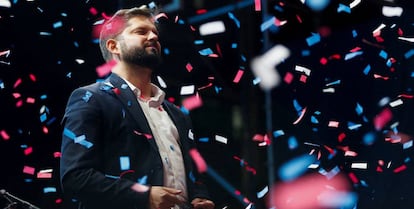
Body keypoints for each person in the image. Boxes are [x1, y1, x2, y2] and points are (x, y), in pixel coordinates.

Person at [59, 5, 215, 209]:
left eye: (155, 33)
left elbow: (194, 176)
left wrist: (198, 197)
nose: (153, 37)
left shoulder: (177, 115)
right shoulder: (91, 98)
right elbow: (75, 177)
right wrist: (144, 195)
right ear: (114, 46)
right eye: (141, 31)